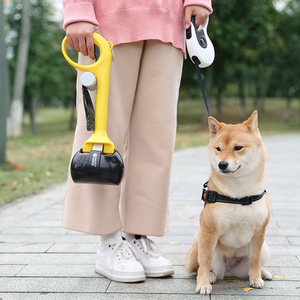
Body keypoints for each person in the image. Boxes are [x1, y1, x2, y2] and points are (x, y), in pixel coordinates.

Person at [62, 0, 212, 283]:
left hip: (169, 20)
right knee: (103, 135)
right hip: (107, 17)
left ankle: (136, 235)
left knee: (156, 139)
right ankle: (108, 240)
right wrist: (78, 10)